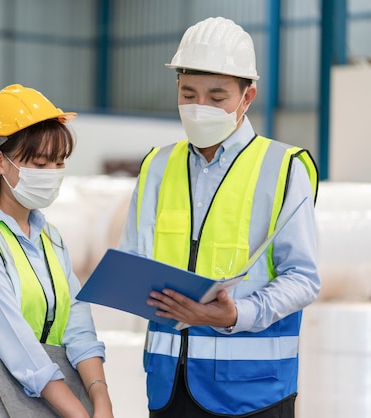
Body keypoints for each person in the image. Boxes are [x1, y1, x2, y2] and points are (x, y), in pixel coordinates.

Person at [117, 17, 320, 418]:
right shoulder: (157, 166)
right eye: (189, 94)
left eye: (217, 96)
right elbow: (132, 262)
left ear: (247, 97)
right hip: (168, 388)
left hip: (253, 394)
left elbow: (303, 277)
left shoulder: (283, 168)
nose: (200, 108)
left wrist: (236, 315)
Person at [0, 84, 114, 418]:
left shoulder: (51, 239)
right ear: (0, 162)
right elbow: (15, 342)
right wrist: (78, 413)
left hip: (48, 406)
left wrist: (100, 397)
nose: (52, 175)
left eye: (59, 163)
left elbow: (78, 326)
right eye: (40, 164)